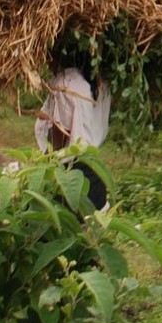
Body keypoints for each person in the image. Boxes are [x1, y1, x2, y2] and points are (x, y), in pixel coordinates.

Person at [35, 62, 112, 212]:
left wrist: (39, 174)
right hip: (95, 181)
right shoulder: (102, 83)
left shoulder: (67, 82)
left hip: (67, 181)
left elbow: (57, 140)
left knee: (43, 228)